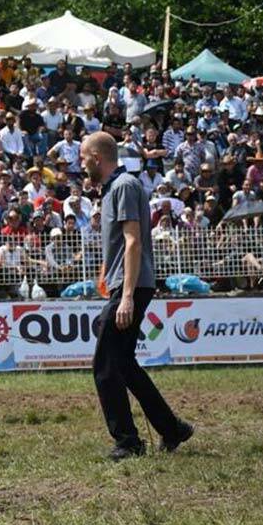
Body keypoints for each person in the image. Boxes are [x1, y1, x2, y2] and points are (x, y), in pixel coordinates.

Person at [80, 132, 193, 460]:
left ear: (98, 158)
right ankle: (172, 429)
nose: (81, 163)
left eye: (84, 157)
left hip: (132, 286)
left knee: (105, 365)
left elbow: (133, 242)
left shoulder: (125, 187)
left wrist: (126, 296)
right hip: (124, 284)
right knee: (124, 363)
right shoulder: (114, 189)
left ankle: (128, 441)